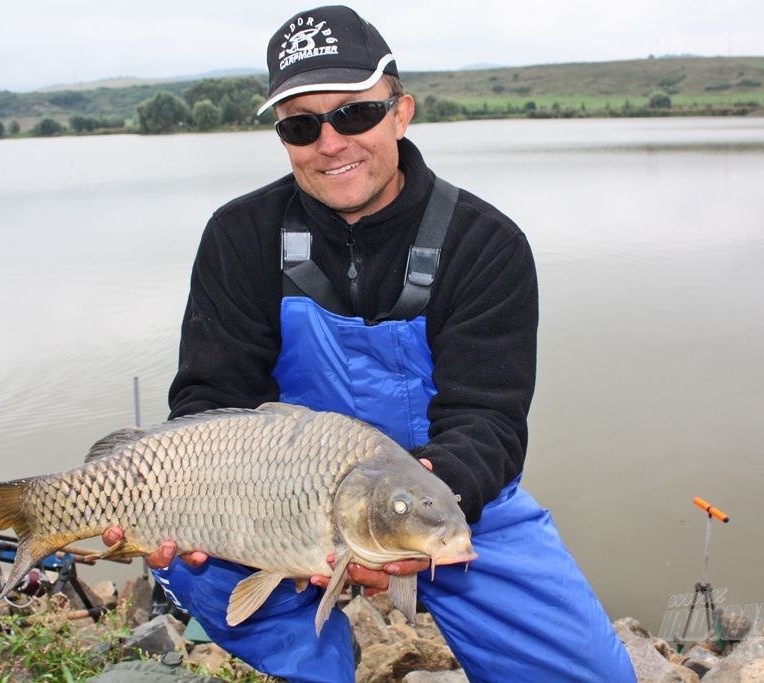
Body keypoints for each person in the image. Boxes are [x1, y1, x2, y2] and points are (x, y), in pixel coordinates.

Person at [105, 5, 635, 681]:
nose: (331, 142)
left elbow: (489, 420)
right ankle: (318, 668)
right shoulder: (239, 236)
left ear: (401, 112)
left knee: (593, 673)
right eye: (302, 124)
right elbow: (213, 398)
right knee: (196, 564)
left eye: (354, 114)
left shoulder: (484, 244)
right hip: (279, 496)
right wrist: (181, 504)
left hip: (442, 496)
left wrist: (426, 502)